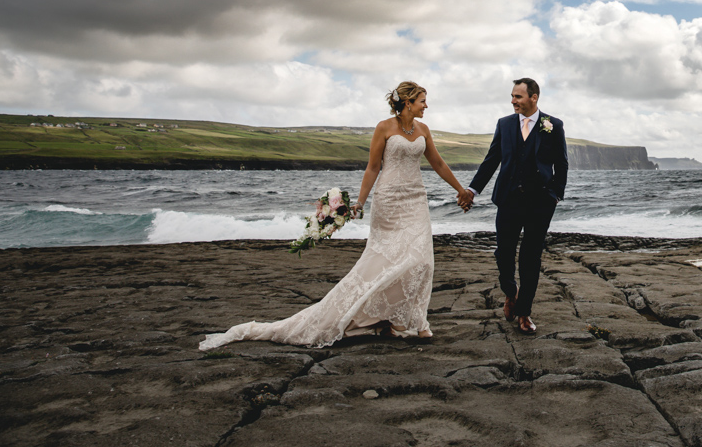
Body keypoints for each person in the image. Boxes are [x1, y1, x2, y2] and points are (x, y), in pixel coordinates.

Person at [199, 82, 469, 350]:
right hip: (389, 202)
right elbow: (373, 168)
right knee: (384, 262)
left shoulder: (423, 130)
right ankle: (395, 322)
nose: (426, 105)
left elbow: (437, 163)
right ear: (408, 102)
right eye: (423, 100)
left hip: (416, 199)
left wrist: (461, 190)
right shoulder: (384, 128)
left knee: (421, 261)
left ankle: (412, 319)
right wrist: (360, 202)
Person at [457, 78, 567, 334]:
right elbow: (492, 159)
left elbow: (561, 164)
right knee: (503, 253)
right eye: (512, 96)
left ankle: (525, 312)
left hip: (540, 203)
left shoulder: (553, 125)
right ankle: (510, 291)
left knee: (531, 257)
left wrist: (555, 195)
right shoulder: (504, 124)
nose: (513, 101)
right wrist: (473, 190)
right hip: (508, 199)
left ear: (534, 97)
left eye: (518, 96)